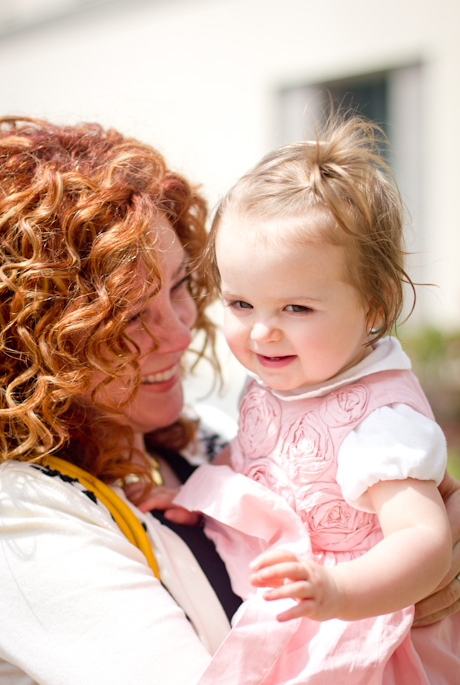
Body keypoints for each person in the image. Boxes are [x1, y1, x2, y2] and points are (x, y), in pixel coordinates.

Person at [0, 115, 458, 685]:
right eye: (132, 316)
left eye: (178, 286)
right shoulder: (20, 516)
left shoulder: (205, 433)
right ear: (39, 344)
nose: (180, 332)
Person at [169, 116, 460, 683]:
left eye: (295, 309)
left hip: (363, 628)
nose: (262, 333)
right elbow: (259, 457)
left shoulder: (381, 423)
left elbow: (425, 542)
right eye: (240, 303)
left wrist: (338, 590)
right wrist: (194, 495)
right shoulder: (283, 378)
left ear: (374, 307)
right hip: (294, 602)